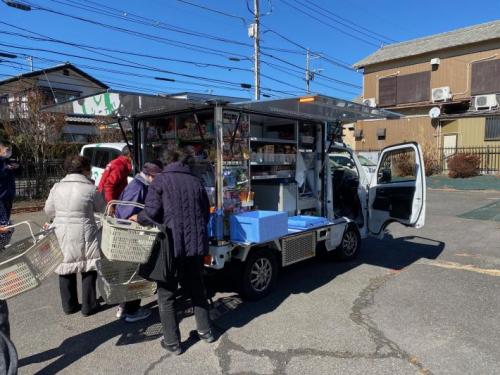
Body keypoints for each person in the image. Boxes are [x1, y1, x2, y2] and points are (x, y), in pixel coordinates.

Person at [136, 148, 214, 355]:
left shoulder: (160, 182)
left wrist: (139, 217)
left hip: (170, 246)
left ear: (165, 163)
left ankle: (172, 342)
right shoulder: (197, 182)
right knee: (198, 288)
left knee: (167, 294)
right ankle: (206, 332)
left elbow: (151, 213)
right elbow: (206, 214)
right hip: (195, 246)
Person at [44, 155, 105, 316]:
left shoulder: (57, 187)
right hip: (85, 230)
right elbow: (102, 209)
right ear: (85, 169)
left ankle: (69, 305)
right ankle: (89, 305)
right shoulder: (91, 189)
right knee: (88, 265)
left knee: (65, 266)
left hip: (61, 230)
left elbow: (49, 210)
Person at [114, 160, 163, 322]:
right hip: (132, 236)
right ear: (150, 176)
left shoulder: (138, 185)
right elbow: (126, 214)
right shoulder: (138, 188)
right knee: (136, 273)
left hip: (131, 236)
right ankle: (132, 310)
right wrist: (142, 218)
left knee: (131, 273)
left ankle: (125, 306)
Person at [0, 139, 18, 249]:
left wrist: (17, 167)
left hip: (8, 197)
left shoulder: (8, 161)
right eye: (7, 149)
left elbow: (19, 172)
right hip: (1, 197)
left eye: (10, 149)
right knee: (4, 225)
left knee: (5, 222)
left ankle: (2, 246)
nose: (9, 152)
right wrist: (6, 168)